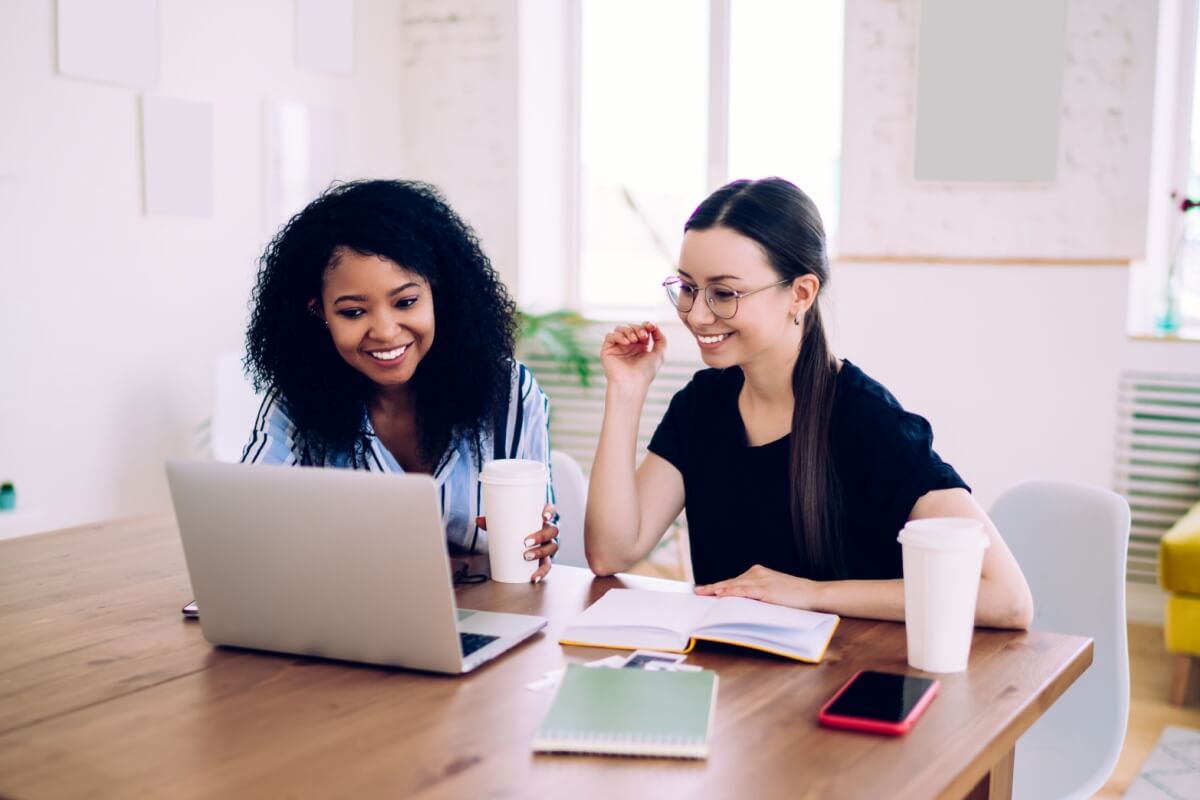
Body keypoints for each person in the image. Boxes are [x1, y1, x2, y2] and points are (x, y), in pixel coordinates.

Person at [585, 177, 1033, 627]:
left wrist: (812, 594)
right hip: (733, 685)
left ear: (800, 294)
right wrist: (626, 392)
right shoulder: (702, 406)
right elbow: (610, 553)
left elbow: (1006, 597)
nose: (697, 315)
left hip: (850, 680)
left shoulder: (866, 419)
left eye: (724, 294)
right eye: (687, 287)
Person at [241, 179, 559, 581]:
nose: (386, 332)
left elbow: (534, 537)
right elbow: (247, 525)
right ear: (318, 311)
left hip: (495, 615)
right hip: (352, 623)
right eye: (354, 312)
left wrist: (543, 538)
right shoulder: (298, 401)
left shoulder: (508, 393)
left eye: (406, 302)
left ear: (438, 294)